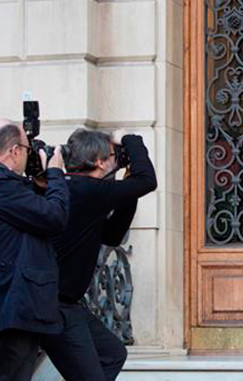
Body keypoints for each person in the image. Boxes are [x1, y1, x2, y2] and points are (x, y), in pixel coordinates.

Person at [39, 129, 157, 380]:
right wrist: (130, 138)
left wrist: (128, 188)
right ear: (100, 162)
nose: (118, 159)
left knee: (112, 353)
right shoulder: (88, 190)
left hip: (63, 303)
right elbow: (148, 181)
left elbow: (111, 236)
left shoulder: (76, 188)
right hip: (53, 306)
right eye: (114, 155)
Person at [0, 121, 69, 381]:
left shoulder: (10, 187)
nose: (30, 156)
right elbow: (55, 217)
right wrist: (55, 174)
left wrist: (39, 184)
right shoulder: (4, 187)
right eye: (29, 150)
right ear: (15, 151)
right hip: (13, 307)